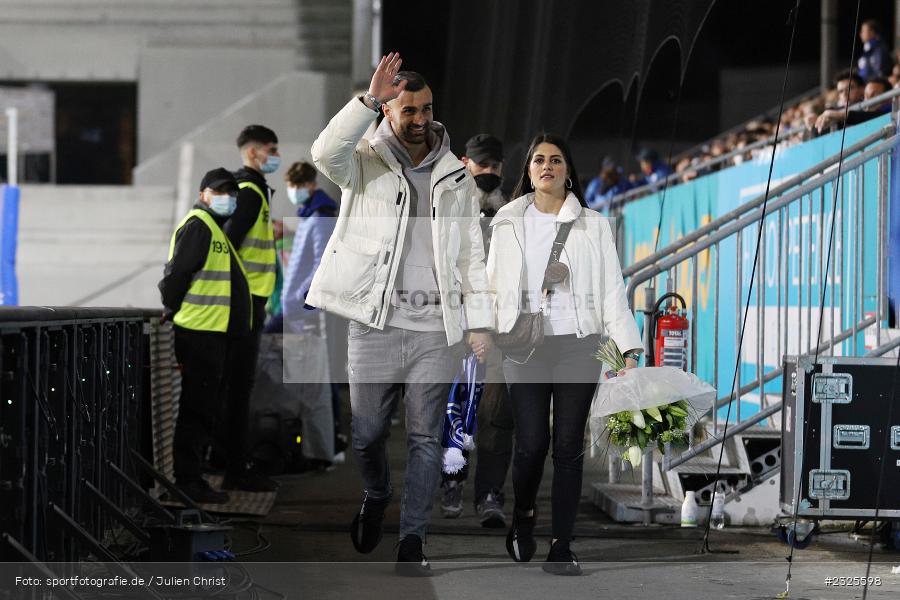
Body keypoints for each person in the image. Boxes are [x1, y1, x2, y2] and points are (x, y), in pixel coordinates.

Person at [307, 52, 494, 576]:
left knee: (424, 438)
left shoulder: (457, 176)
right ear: (389, 111)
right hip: (375, 323)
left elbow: (470, 256)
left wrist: (479, 322)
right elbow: (324, 152)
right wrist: (366, 101)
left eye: (426, 109)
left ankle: (412, 538)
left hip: (437, 328)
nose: (419, 119)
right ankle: (376, 493)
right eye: (408, 110)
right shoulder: (364, 158)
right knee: (365, 434)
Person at [486, 134, 643, 575]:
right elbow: (491, 283)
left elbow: (613, 289)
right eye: (539, 159)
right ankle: (523, 515)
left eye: (556, 160)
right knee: (532, 445)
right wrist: (482, 328)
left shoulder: (594, 224)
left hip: (579, 344)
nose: (547, 166)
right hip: (524, 345)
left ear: (568, 170)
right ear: (529, 170)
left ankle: (561, 545)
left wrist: (628, 347)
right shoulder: (507, 221)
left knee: (569, 447)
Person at [159, 168, 251, 504]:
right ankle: (188, 481)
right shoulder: (200, 225)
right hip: (199, 331)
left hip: (211, 331)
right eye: (220, 191)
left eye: (232, 192)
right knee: (197, 409)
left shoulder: (213, 227)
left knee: (204, 408)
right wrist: (170, 305)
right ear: (203, 194)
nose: (228, 197)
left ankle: (194, 476)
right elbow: (178, 273)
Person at [440, 134, 513, 528]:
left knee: (496, 416)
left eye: (495, 165)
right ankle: (451, 479)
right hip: (456, 326)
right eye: (481, 164)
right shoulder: (448, 204)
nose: (488, 172)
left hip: (500, 331)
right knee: (453, 407)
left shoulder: (513, 211)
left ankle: (490, 494)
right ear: (466, 162)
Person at [219, 125, 282, 492]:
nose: (275, 156)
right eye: (272, 150)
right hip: (244, 305)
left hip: (249, 303)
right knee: (238, 389)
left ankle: (232, 463)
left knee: (237, 387)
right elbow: (229, 242)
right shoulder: (249, 192)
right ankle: (235, 470)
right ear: (254, 152)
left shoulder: (252, 190)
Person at [281, 160, 346, 469]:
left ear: (305, 185)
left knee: (319, 382)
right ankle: (323, 444)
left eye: (293, 188)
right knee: (314, 380)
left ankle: (328, 444)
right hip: (300, 311)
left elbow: (322, 262)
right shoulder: (310, 213)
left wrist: (301, 299)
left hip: (308, 313)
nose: (292, 194)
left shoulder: (320, 214)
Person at [814, 76, 892, 134]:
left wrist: (839, 115)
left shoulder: (890, 108)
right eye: (866, 95)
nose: (845, 94)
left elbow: (873, 116)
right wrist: (815, 122)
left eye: (850, 88)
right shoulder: (857, 112)